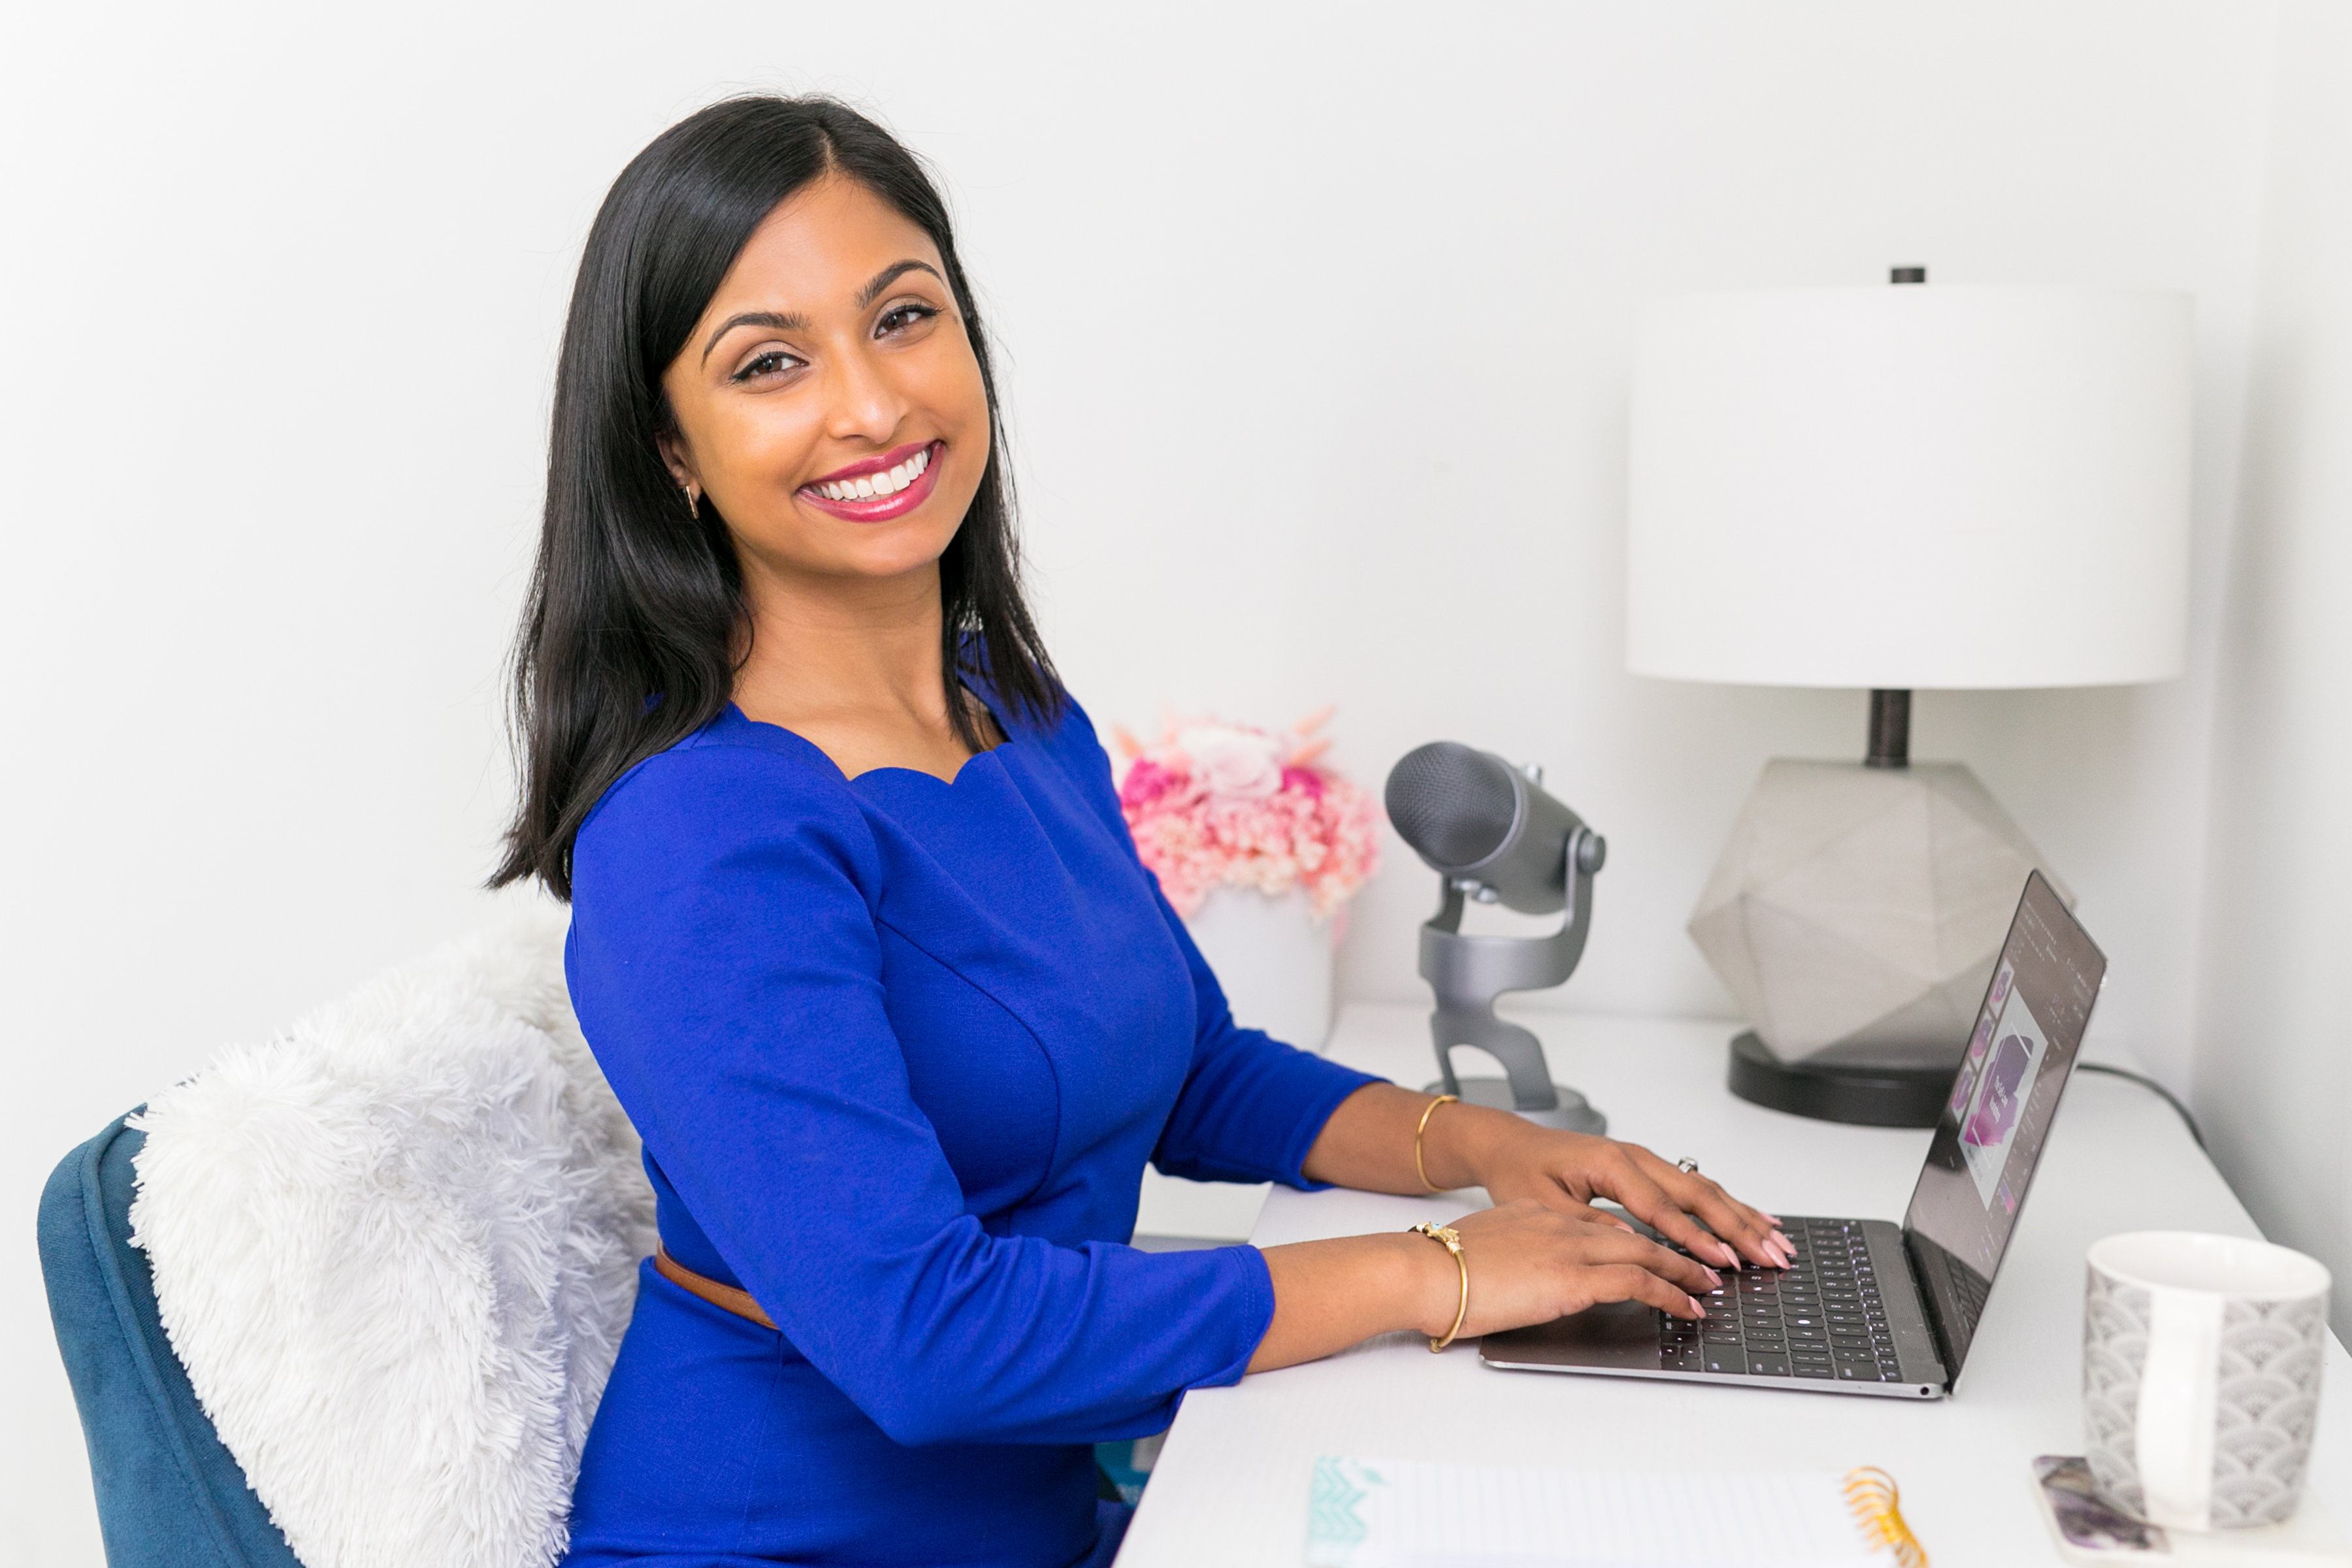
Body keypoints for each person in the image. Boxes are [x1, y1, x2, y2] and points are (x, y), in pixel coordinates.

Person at [494, 94, 1791, 1568]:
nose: (869, 404)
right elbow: (930, 1341)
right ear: (671, 447)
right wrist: (1436, 1274)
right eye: (772, 363)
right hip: (781, 1540)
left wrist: (1492, 1151)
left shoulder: (1015, 715)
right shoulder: (698, 836)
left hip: (1058, 1519)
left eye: (904, 318)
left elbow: (1189, 1071)